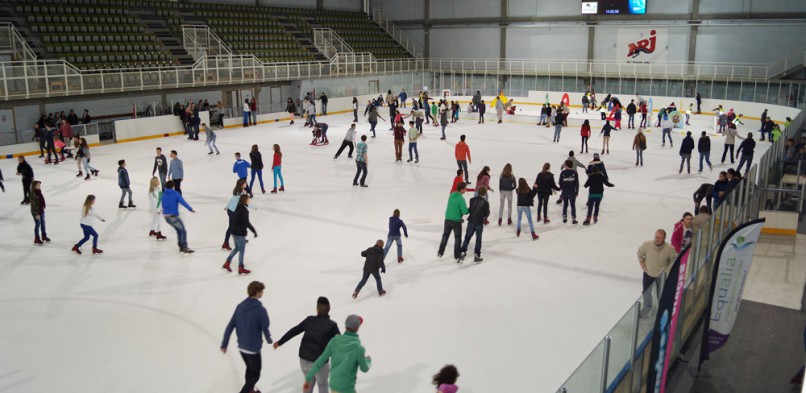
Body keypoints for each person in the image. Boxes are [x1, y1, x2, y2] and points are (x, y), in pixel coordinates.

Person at [273, 297, 341, 393]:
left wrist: (280, 342)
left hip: (304, 359)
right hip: (319, 362)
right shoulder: (332, 325)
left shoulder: (309, 320)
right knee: (322, 384)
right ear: (328, 309)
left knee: (308, 381)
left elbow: (294, 331)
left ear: (317, 309)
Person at [221, 281, 272, 393]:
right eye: (261, 291)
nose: (262, 293)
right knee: (255, 375)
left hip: (242, 347)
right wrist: (269, 339)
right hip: (253, 349)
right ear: (257, 292)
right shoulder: (260, 309)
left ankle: (250, 390)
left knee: (250, 370)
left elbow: (230, 325)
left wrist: (224, 343)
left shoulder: (239, 307)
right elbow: (265, 326)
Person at [302, 315, 371, 393]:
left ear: (345, 325)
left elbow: (320, 360)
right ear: (357, 328)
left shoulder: (334, 341)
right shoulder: (359, 349)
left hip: (334, 385)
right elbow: (364, 369)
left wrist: (308, 377)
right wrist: (368, 361)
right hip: (347, 388)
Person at [637, 230, 678, 316]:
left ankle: (661, 309)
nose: (657, 239)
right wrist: (642, 265)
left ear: (664, 238)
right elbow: (639, 253)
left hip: (661, 277)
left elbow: (674, 260)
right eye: (656, 236)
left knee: (661, 293)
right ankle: (646, 308)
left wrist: (666, 271)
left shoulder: (670, 249)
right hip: (648, 274)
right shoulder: (647, 245)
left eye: (660, 237)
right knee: (646, 292)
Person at [223, 195, 258, 275]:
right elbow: (247, 223)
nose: (249, 201)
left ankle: (227, 263)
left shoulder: (236, 208)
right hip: (240, 233)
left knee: (236, 248)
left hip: (234, 232)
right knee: (241, 251)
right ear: (245, 201)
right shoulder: (244, 211)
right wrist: (254, 231)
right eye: (248, 200)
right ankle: (241, 267)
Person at [162, 180, 195, 254]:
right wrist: (190, 209)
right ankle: (184, 247)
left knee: (179, 230)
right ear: (172, 186)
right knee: (183, 230)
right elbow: (183, 202)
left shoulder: (163, 194)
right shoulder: (175, 194)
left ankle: (181, 245)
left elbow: (163, 204)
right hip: (173, 216)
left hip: (166, 217)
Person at [438, 182, 469, 260]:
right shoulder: (461, 199)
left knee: (445, 236)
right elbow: (465, 211)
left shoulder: (451, 196)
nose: (466, 190)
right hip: (456, 221)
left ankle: (440, 252)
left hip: (447, 220)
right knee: (457, 238)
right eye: (465, 188)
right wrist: (470, 209)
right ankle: (457, 255)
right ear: (461, 189)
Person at [461, 186, 489, 263]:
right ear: (485, 193)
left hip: (471, 221)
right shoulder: (485, 203)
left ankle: (463, 251)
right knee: (478, 239)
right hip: (479, 222)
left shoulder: (472, 200)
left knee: (467, 237)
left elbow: (470, 209)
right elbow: (487, 213)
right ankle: (477, 254)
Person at [558, 160, 579, 224]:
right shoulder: (574, 173)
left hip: (565, 191)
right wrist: (577, 192)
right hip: (572, 191)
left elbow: (560, 182)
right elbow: (576, 183)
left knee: (565, 205)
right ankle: (573, 218)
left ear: (566, 165)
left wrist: (562, 188)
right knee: (572, 205)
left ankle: (564, 217)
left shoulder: (562, 173)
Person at [29, 180, 49, 245]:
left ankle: (44, 236)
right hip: (36, 211)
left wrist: (42, 208)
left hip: (41, 210)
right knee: (38, 224)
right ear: (34, 186)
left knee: (43, 223)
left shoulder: (39, 191)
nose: (39, 186)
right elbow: (33, 205)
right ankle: (36, 238)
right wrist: (36, 214)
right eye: (38, 185)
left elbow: (41, 201)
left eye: (39, 185)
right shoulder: (33, 194)